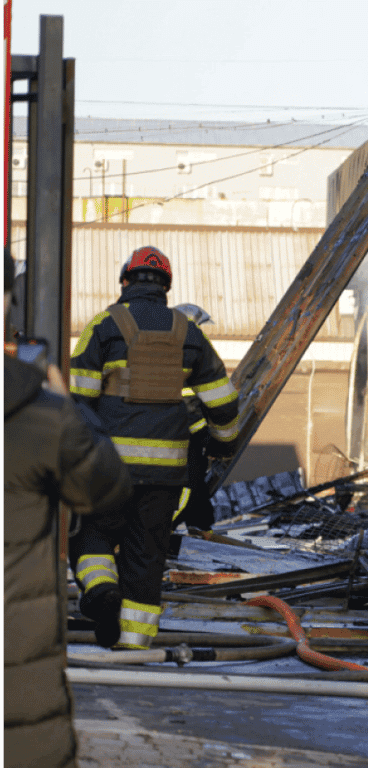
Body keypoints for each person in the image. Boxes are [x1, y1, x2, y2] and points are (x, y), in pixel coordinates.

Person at [67, 246, 241, 649]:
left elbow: (77, 399)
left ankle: (101, 592)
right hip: (165, 475)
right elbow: (223, 402)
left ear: (125, 282)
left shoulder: (104, 325)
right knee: (146, 556)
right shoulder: (189, 333)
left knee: (88, 532)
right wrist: (224, 445)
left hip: (108, 470)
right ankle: (133, 644)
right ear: (166, 287)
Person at [4, 246, 133, 768]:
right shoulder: (37, 416)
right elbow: (106, 490)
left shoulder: (106, 327)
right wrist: (66, 408)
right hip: (19, 700)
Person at [172, 303, 218, 533]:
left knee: (194, 487)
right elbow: (188, 402)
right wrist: (205, 436)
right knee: (188, 487)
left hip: (176, 434)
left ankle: (200, 527)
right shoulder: (182, 354)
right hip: (182, 436)